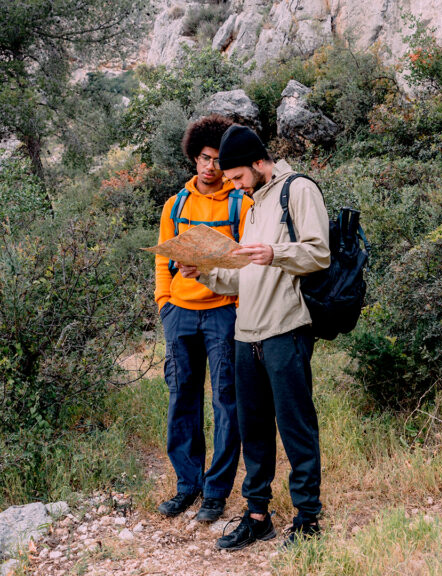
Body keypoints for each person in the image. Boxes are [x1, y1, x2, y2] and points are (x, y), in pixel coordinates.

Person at [178, 125, 330, 550]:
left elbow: (320, 252)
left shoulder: (297, 190)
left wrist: (275, 252)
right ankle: (258, 516)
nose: (237, 187)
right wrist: (204, 272)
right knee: (255, 432)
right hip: (247, 335)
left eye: (240, 178)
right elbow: (244, 277)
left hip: (286, 330)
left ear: (260, 163)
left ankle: (307, 521)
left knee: (297, 429)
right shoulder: (254, 204)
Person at [154, 114, 252, 523]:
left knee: (226, 402)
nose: (209, 167)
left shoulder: (241, 204)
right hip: (180, 314)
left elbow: (251, 262)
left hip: (222, 314)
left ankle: (216, 492)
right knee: (182, 400)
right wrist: (164, 302)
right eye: (203, 159)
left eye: (216, 160)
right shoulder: (175, 205)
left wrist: (237, 304)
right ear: (193, 158)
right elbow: (163, 259)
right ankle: (186, 486)